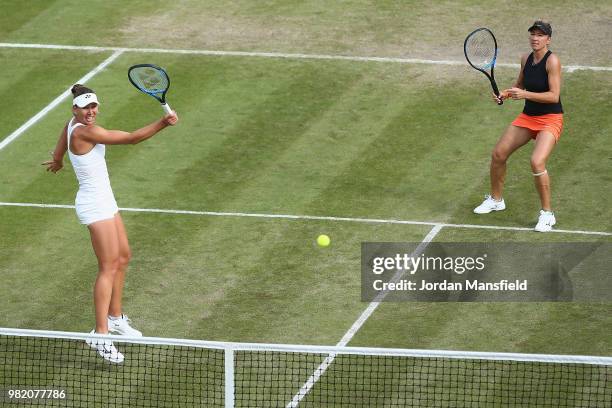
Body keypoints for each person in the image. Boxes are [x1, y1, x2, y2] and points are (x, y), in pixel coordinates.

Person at [43, 84, 178, 363]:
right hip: (95, 205)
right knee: (108, 266)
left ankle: (115, 318)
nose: (91, 112)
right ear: (75, 109)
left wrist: (58, 158)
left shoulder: (73, 124)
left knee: (123, 256)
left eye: (93, 107)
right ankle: (100, 335)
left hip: (107, 201)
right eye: (85, 108)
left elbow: (62, 133)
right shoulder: (85, 131)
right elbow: (131, 139)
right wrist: (163, 122)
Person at [473, 20, 563, 232]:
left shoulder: (553, 62)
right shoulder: (525, 58)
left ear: (548, 39)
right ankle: (496, 200)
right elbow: (519, 86)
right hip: (528, 117)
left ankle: (547, 214)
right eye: (533, 34)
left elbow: (553, 96)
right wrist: (504, 93)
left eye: (540, 35)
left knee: (537, 161)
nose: (535, 38)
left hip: (550, 119)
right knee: (498, 154)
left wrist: (524, 95)